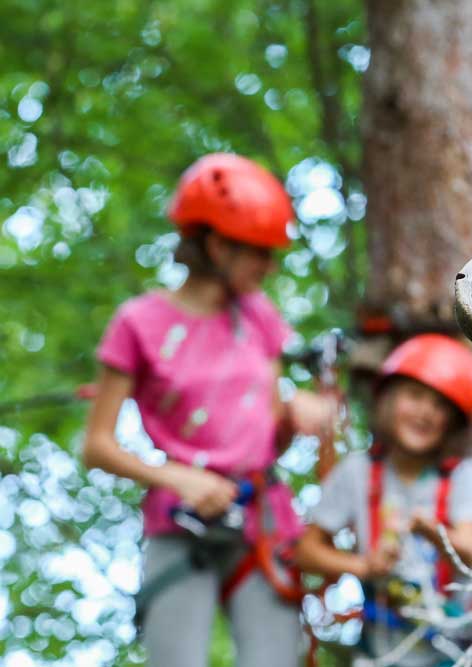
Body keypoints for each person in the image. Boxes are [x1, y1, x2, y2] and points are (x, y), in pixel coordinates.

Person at [82, 153, 333, 667]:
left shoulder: (259, 316)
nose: (269, 266)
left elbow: (268, 432)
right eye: (259, 252)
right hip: (182, 522)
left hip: (260, 519)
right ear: (217, 245)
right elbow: (97, 446)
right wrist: (177, 478)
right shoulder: (139, 324)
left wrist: (295, 416)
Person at [296, 334, 472, 667]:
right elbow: (306, 551)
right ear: (388, 400)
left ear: (452, 422)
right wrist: (364, 566)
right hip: (379, 649)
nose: (426, 412)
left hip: (449, 651)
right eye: (415, 395)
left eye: (440, 405)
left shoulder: (464, 476)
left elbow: (470, 548)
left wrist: (431, 530)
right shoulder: (357, 472)